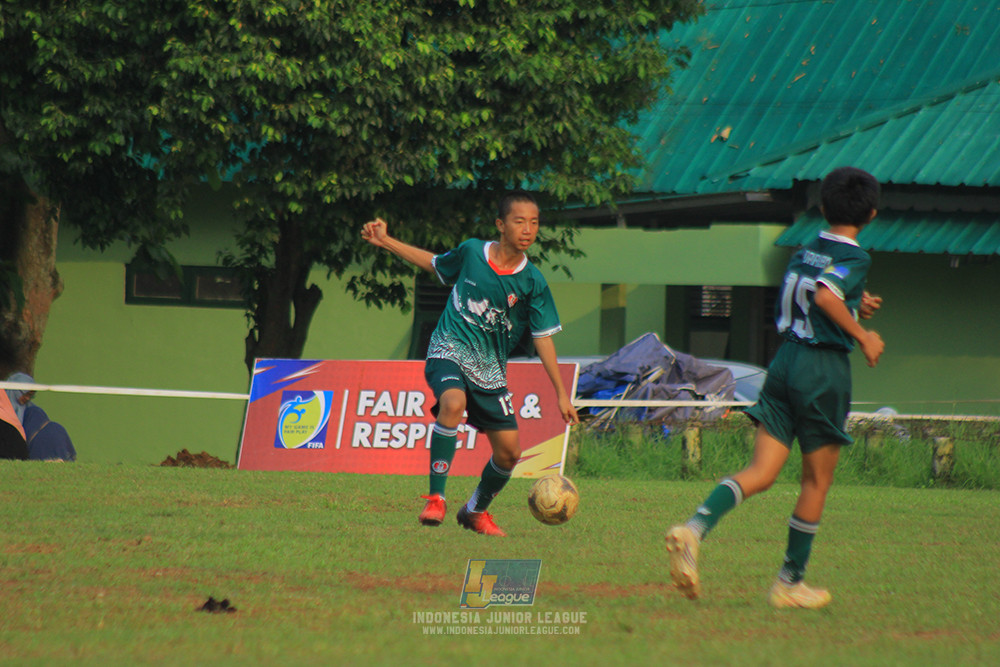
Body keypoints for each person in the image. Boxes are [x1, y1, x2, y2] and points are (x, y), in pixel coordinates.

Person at [665, 166, 886, 609]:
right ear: (873, 214)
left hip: (784, 362)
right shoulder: (857, 258)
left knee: (762, 472)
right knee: (815, 481)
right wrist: (864, 335)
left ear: (822, 207)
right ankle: (789, 582)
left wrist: (853, 299)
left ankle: (695, 528)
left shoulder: (807, 249)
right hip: (821, 369)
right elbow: (824, 295)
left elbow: (816, 286)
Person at [361, 191, 579, 536]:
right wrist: (385, 240)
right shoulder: (472, 252)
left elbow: (543, 338)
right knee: (453, 402)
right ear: (501, 225)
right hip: (447, 348)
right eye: (519, 221)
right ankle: (436, 498)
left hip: (489, 371)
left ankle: (474, 511)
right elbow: (434, 264)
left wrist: (561, 395)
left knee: (509, 454)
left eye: (534, 222)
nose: (527, 229)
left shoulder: (532, 281)